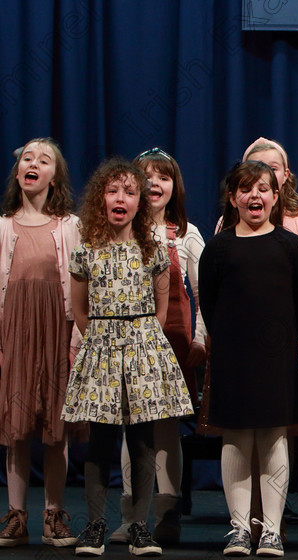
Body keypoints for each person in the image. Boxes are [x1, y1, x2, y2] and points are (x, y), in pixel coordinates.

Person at [62, 158, 194, 557]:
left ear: (140, 202)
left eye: (130, 192)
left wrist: (141, 339)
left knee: (142, 442)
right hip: (102, 346)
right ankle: (96, 525)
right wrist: (103, 337)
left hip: (142, 348)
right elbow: (80, 308)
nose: (121, 198)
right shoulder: (87, 250)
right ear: (101, 198)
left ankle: (140, 527)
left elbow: (159, 305)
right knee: (100, 442)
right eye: (113, 190)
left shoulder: (152, 249)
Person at [199, 160, 298, 557]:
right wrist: (230, 342)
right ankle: (238, 529)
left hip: (277, 356)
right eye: (245, 189)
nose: (254, 196)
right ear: (233, 198)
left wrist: (281, 341)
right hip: (233, 357)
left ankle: (272, 531)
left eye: (263, 188)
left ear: (275, 195)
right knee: (236, 437)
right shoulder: (218, 247)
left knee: (274, 436)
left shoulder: (290, 246)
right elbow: (209, 304)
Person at [109, 147, 207, 545]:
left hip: (170, 346)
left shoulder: (184, 235)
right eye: (146, 175)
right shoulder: (118, 232)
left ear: (174, 187)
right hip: (125, 346)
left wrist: (200, 338)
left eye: (163, 177)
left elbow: (205, 293)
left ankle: (168, 514)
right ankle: (131, 515)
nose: (154, 183)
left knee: (166, 429)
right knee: (132, 429)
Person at [0, 138, 81, 549]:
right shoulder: (2, 227)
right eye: (27, 158)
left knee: (55, 428)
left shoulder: (69, 226)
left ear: (54, 175)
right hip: (15, 333)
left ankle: (54, 513)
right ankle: (17, 514)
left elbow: (79, 291)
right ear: (19, 172)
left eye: (43, 159)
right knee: (15, 428)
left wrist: (76, 339)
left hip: (56, 333)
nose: (33, 163)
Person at [243, 137, 298, 531]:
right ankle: (249, 511)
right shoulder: (229, 223)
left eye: (274, 167)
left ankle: (275, 506)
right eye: (257, 165)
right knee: (248, 428)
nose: (266, 173)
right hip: (245, 345)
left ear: (285, 177)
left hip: (290, 341)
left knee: (287, 430)